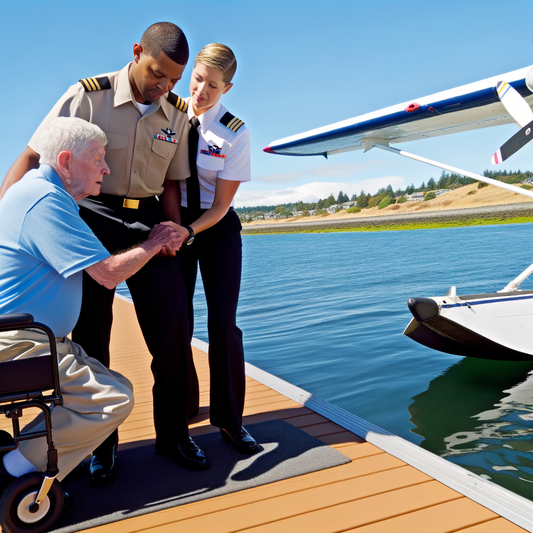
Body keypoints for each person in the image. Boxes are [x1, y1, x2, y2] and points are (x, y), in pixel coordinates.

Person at [0, 22, 209, 481]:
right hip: (89, 214)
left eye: (175, 79)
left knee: (173, 331)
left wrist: (171, 229)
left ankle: (174, 434)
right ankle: (101, 447)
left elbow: (172, 180)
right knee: (94, 335)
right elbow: (36, 155)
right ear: (137, 53)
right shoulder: (86, 96)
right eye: (158, 74)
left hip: (149, 218)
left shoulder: (174, 112)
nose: (166, 86)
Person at [0, 116, 182, 493]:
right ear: (66, 162)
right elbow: (109, 274)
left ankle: (23, 456)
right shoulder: (45, 201)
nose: (107, 168)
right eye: (98, 158)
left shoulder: (39, 193)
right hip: (20, 342)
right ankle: (13, 469)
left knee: (113, 386)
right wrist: (153, 242)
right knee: (114, 399)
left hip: (37, 338)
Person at [167, 43, 257, 454]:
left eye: (213, 85)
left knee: (223, 323)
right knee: (176, 321)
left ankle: (230, 422)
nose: (201, 90)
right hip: (172, 224)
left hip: (214, 227)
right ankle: (184, 406)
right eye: (198, 78)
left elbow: (222, 206)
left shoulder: (234, 131)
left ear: (228, 88)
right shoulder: (166, 113)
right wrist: (175, 230)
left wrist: (189, 232)